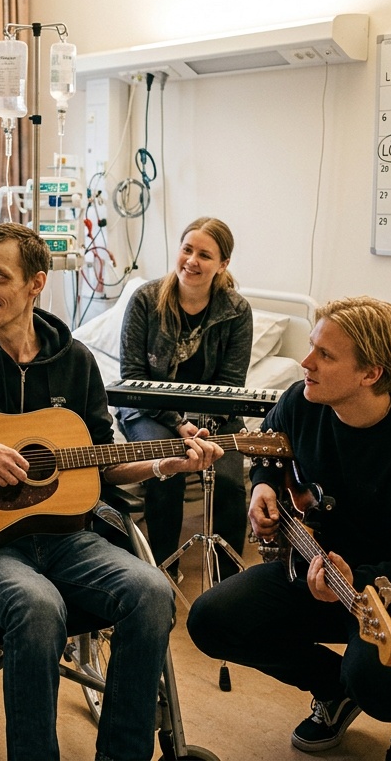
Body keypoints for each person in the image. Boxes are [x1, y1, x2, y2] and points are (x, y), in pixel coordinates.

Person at [0, 222, 223, 761]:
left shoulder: (74, 361)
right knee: (38, 604)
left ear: (36, 285)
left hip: (67, 534)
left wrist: (161, 463)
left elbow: (100, 463)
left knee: (152, 592)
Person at [186, 296, 391, 761]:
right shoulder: (303, 401)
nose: (306, 363)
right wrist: (262, 485)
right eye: (312, 348)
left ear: (371, 373)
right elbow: (269, 445)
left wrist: (360, 581)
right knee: (211, 620)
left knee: (378, 680)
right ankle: (333, 690)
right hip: (320, 569)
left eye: (325, 355)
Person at [117, 217, 252, 576]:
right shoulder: (146, 300)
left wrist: (201, 425)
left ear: (222, 265)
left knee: (227, 481)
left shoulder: (236, 312)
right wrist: (178, 425)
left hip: (215, 414)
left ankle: (228, 578)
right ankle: (164, 568)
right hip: (148, 409)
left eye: (204, 255)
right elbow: (132, 377)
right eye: (187, 249)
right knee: (167, 471)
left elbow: (230, 384)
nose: (191, 260)